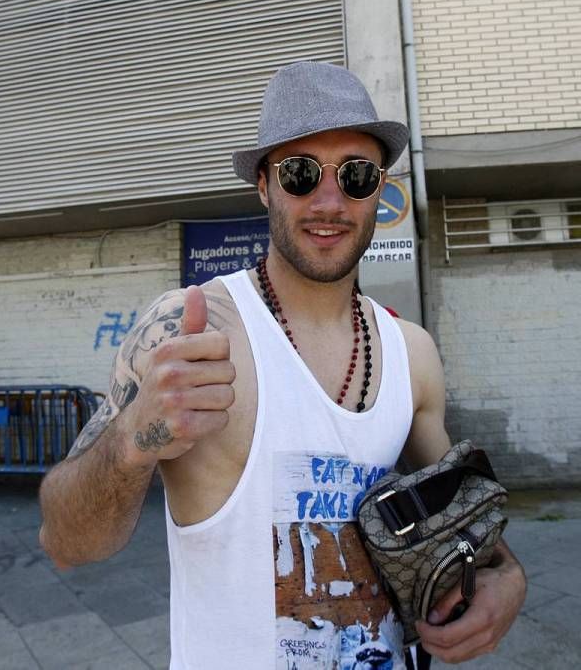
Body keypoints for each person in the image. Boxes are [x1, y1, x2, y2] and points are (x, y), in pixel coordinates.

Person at [39, 61, 526, 669]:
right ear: (265, 186)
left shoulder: (412, 352)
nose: (329, 201)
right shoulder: (190, 328)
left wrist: (507, 580)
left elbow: (465, 522)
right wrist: (133, 441)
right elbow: (65, 544)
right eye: (300, 174)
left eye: (355, 174)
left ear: (380, 189)